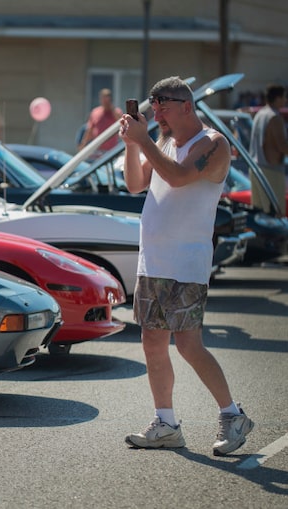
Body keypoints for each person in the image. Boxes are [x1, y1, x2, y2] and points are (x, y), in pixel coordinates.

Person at [119, 76, 254, 456]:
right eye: (152, 104)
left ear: (187, 106)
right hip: (154, 260)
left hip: (187, 264)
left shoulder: (213, 144)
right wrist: (133, 145)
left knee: (189, 344)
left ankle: (233, 415)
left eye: (162, 104)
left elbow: (178, 178)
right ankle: (166, 423)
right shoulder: (162, 142)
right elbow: (134, 184)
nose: (156, 112)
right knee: (152, 343)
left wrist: (143, 140)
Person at [249, 83, 288, 217]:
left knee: (260, 215)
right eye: (284, 97)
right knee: (275, 215)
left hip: (255, 169)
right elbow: (282, 145)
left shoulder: (260, 114)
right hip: (271, 170)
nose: (285, 100)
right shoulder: (274, 116)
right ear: (277, 98)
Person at [78, 88, 123, 155]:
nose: (104, 101)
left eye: (106, 99)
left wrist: (112, 109)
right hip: (97, 149)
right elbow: (89, 130)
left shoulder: (116, 112)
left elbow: (121, 123)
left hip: (112, 149)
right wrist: (83, 145)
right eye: (103, 98)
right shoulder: (95, 112)